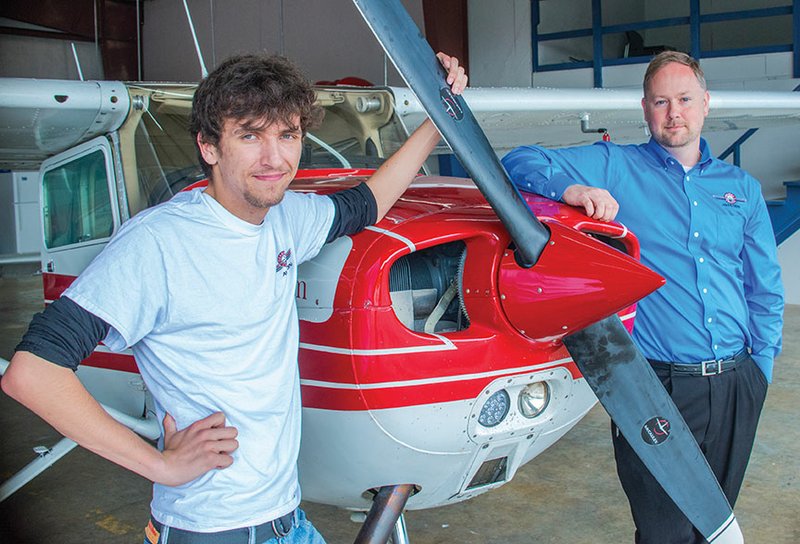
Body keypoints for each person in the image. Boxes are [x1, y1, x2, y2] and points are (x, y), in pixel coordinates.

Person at [1, 52, 466, 544]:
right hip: (210, 529)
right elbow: (34, 372)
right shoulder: (158, 242)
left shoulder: (287, 218)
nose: (275, 158)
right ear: (208, 146)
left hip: (287, 519)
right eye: (249, 135)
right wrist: (159, 464)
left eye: (287, 135)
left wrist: (440, 114)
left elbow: (366, 203)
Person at [502, 51, 783, 543]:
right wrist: (569, 189)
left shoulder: (742, 189)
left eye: (685, 99)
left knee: (713, 526)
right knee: (663, 532)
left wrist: (761, 368)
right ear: (645, 108)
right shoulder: (616, 165)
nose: (674, 113)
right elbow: (518, 161)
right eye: (661, 101)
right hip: (657, 389)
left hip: (738, 383)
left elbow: (763, 289)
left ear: (706, 104)